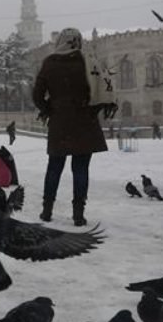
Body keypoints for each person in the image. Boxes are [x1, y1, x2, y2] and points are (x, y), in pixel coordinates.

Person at [32, 28, 108, 226]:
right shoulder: (87, 61)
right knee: (81, 168)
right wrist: (93, 109)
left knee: (54, 167)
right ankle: (78, 214)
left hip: (60, 121)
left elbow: (37, 95)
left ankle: (47, 211)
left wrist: (49, 109)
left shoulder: (50, 63)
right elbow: (101, 88)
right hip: (84, 120)